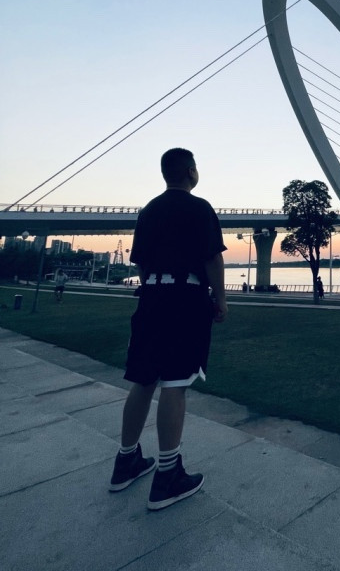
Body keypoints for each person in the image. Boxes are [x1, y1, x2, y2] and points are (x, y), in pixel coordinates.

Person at [108, 148, 227, 511]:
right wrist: (220, 300)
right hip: (185, 301)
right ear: (191, 172)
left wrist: (153, 289)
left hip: (151, 300)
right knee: (175, 384)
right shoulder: (200, 208)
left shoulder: (148, 211)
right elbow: (212, 258)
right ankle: (167, 476)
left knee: (143, 379)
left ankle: (126, 461)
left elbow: (141, 264)